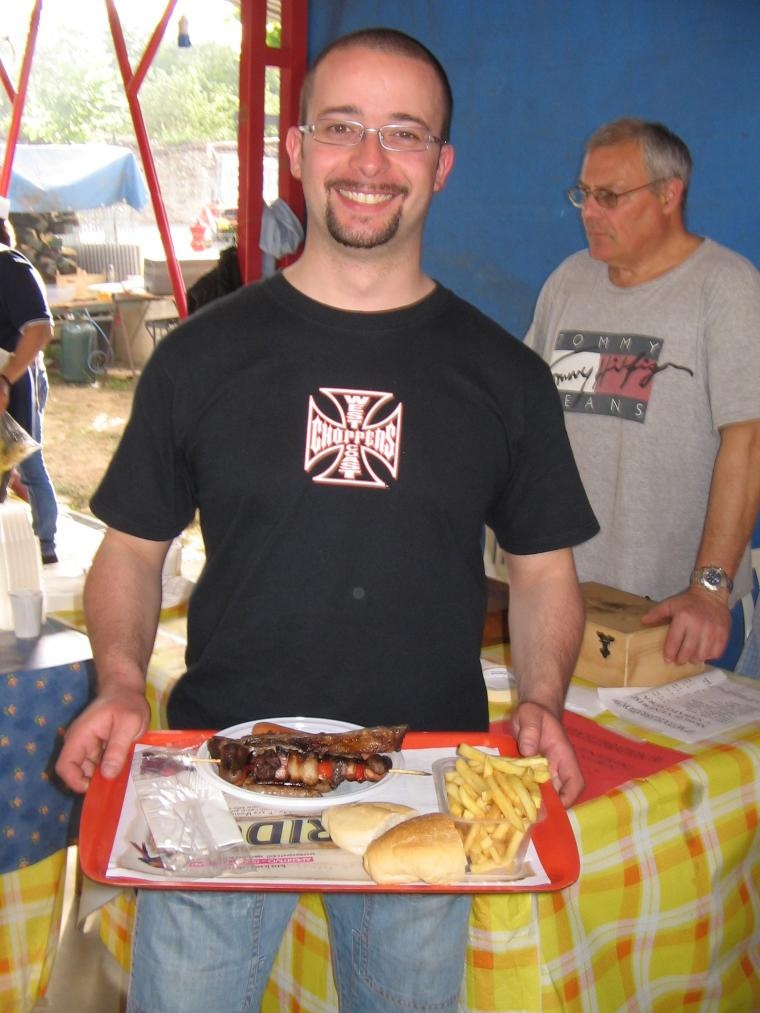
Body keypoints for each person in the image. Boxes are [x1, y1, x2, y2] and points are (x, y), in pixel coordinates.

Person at [56, 28, 598, 1012]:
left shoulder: (506, 377)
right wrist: (123, 680)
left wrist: (544, 698)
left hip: (423, 774)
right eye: (341, 127)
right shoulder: (199, 357)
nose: (369, 161)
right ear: (298, 148)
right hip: (221, 767)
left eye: (403, 133)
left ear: (441, 164)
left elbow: (543, 571)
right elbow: (131, 550)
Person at [525, 118, 760, 670]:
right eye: (584, 194)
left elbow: (749, 445)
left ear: (668, 195)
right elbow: (522, 417)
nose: (589, 211)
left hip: (678, 620)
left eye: (609, 196)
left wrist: (709, 590)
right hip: (568, 605)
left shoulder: (724, 288)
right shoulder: (569, 280)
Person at [0, 197, 59, 564]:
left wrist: (6, 380)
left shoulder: (11, 267)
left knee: (27, 461)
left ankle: (44, 542)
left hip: (15, 379)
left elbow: (39, 330)